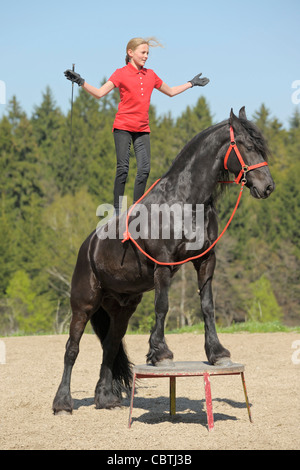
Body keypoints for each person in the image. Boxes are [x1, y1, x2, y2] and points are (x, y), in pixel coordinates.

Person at [64, 37, 209, 215]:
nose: (146, 56)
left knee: (144, 169)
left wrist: (191, 83)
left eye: (148, 53)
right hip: (123, 127)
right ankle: (118, 212)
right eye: (143, 52)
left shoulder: (151, 75)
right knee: (123, 168)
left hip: (142, 129)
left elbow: (170, 92)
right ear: (130, 53)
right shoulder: (120, 73)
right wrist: (81, 82)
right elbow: (100, 93)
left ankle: (136, 209)